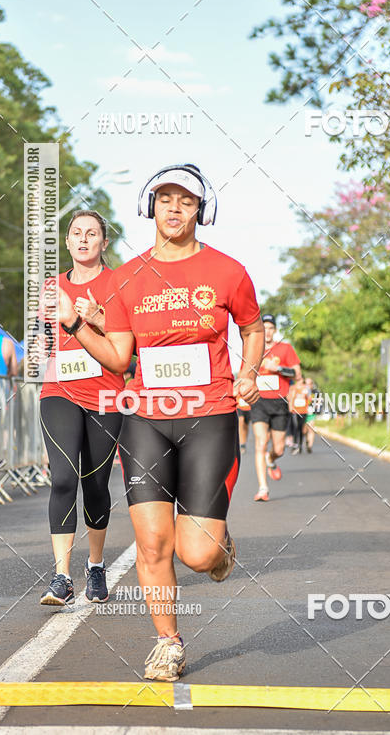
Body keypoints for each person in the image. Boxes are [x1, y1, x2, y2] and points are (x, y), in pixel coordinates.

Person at [55, 163, 264, 682]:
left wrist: (249, 370)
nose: (175, 208)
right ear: (151, 206)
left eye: (187, 201)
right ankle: (168, 643)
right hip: (146, 417)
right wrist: (77, 324)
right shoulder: (126, 277)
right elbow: (119, 356)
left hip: (209, 416)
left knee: (197, 554)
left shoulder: (228, 271)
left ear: (202, 210)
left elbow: (252, 327)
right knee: (151, 543)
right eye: (165, 198)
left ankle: (219, 546)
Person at [37, 210, 125, 607]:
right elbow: (42, 342)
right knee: (62, 480)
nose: (84, 239)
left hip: (106, 393)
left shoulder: (119, 283)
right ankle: (61, 577)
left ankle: (95, 565)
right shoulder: (51, 287)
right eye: (76, 233)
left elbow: (131, 343)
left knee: (95, 485)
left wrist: (97, 318)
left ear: (104, 243)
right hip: (59, 390)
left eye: (92, 234)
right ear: (68, 242)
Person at [249, 314, 301, 501]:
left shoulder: (285, 349)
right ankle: (263, 488)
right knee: (260, 443)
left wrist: (277, 369)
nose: (267, 331)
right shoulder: (253, 349)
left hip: (280, 403)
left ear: (275, 330)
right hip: (259, 401)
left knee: (279, 449)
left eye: (271, 327)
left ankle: (271, 460)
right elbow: (244, 373)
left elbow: (297, 374)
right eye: (264, 327)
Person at [288, 377, 310, 454]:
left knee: (301, 428)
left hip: (303, 411)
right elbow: (290, 398)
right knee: (296, 427)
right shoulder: (293, 388)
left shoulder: (305, 388)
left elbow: (309, 398)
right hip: (295, 411)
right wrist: (290, 407)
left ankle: (300, 445)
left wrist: (306, 394)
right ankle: (295, 445)